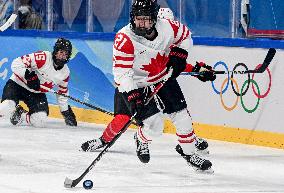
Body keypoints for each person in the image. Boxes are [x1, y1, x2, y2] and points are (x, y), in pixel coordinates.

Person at [81, 0, 215, 172]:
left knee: (183, 118)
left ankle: (189, 154)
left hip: (162, 79)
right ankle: (140, 138)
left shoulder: (167, 28)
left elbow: (185, 37)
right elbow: (122, 74)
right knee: (155, 126)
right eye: (138, 19)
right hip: (137, 85)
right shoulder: (124, 38)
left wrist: (182, 55)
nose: (140, 23)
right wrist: (133, 96)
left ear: (154, 19)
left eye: (145, 19)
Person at [0, 38, 77, 127]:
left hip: (36, 93)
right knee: (6, 107)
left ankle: (20, 114)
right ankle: (11, 108)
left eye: (66, 54)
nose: (63, 56)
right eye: (61, 52)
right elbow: (16, 63)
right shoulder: (43, 57)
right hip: (17, 85)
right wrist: (28, 77)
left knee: (39, 120)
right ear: (55, 52)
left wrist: (65, 111)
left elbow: (62, 93)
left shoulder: (65, 73)